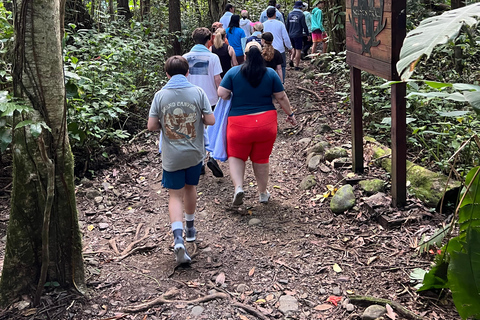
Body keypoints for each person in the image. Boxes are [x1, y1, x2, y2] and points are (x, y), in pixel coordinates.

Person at [147, 56, 215, 265]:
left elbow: (151, 125)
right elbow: (210, 120)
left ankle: (178, 239)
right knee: (190, 187)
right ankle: (191, 229)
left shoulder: (160, 95)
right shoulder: (198, 92)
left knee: (174, 196)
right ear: (187, 73)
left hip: (171, 155)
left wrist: (167, 125)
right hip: (194, 153)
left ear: (167, 74)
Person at [217, 42, 297, 206]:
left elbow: (222, 93)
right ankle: (262, 193)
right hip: (265, 123)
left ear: (245, 56)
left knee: (236, 156)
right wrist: (290, 114)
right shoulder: (270, 73)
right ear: (261, 55)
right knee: (261, 158)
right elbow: (281, 97)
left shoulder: (233, 72)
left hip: (238, 123)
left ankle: (239, 187)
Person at [183, 28, 224, 177]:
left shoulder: (185, 57)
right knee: (211, 129)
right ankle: (212, 156)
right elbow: (217, 79)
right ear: (209, 40)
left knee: (196, 129)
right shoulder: (213, 57)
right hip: (210, 98)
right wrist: (222, 96)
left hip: (190, 99)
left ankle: (199, 162)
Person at [263, 7, 292, 83]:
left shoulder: (263, 25)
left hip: (267, 49)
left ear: (266, 15)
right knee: (281, 67)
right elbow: (285, 37)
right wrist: (289, 47)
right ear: (275, 15)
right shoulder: (280, 24)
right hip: (279, 49)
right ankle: (280, 84)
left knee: (267, 67)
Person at [286, 1, 310, 70]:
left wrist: (287, 35)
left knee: (293, 48)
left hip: (290, 35)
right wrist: (308, 34)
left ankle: (291, 59)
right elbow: (304, 25)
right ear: (300, 7)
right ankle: (296, 66)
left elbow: (287, 25)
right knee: (298, 50)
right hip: (298, 35)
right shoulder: (301, 15)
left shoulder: (290, 14)